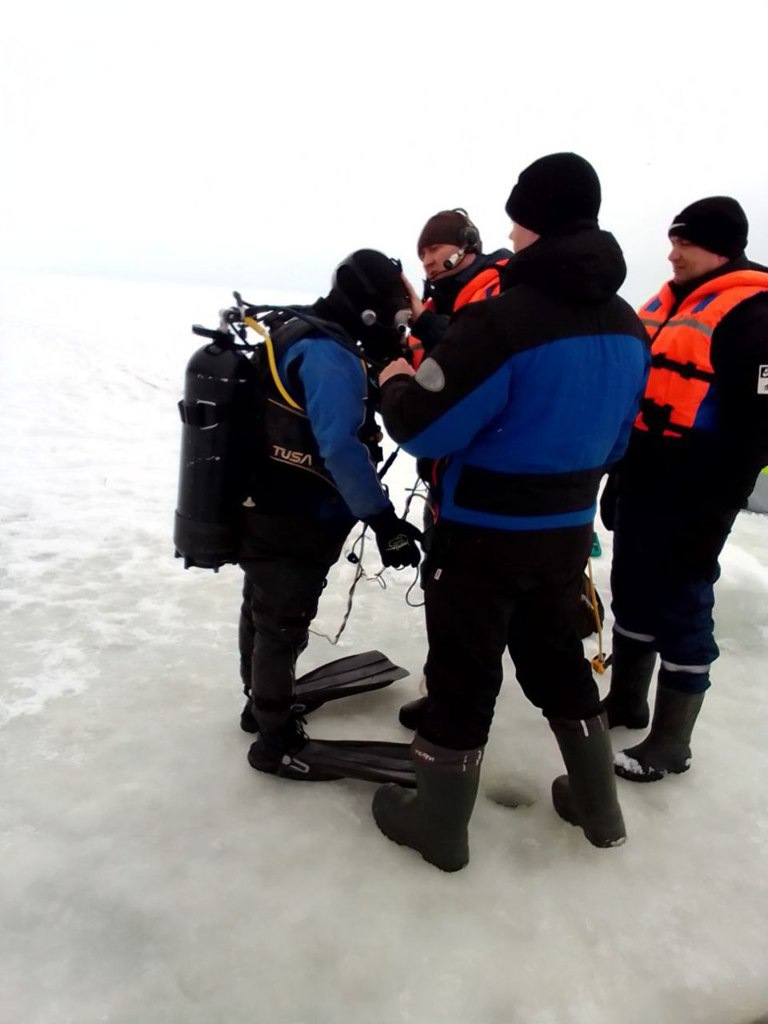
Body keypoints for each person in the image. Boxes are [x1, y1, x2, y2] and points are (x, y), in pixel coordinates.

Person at [369, 153, 651, 870]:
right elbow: (620, 441)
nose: (511, 234)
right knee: (559, 663)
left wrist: (396, 379)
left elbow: (424, 427)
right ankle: (599, 808)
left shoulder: (502, 321)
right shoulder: (629, 325)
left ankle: (439, 826)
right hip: (565, 534)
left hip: (480, 537)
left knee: (462, 679)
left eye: (516, 221)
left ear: (532, 223)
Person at [600, 197, 768, 782]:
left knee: (683, 604)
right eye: (672, 241)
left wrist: (715, 514)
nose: (672, 254)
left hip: (699, 490)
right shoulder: (673, 304)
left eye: (685, 243)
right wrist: (619, 476)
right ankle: (627, 701)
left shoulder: (755, 315)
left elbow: (757, 432)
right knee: (632, 590)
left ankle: (673, 742)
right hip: (645, 477)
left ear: (720, 247)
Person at [237, 250, 422, 781]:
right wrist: (384, 522)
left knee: (262, 607)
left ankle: (260, 702)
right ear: (368, 310)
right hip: (296, 515)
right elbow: (341, 449)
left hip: (261, 504)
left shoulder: (295, 329)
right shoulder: (329, 355)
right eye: (394, 316)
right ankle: (275, 739)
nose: (395, 327)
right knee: (282, 620)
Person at [405, 208, 512, 368]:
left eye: (434, 249)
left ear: (467, 242)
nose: (427, 262)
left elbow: (483, 348)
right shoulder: (427, 311)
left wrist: (426, 323)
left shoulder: (505, 283)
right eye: (422, 255)